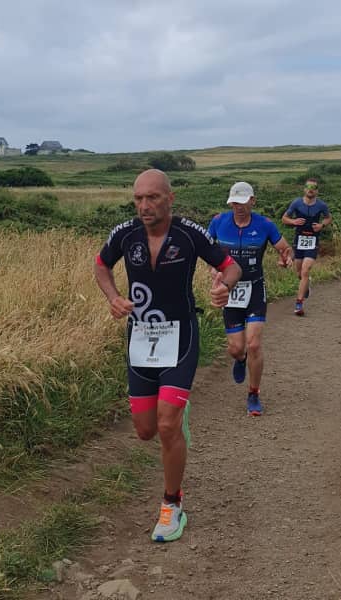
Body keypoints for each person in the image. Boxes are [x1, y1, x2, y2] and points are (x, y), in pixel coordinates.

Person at [94, 169, 242, 543]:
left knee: (165, 425)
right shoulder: (124, 234)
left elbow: (230, 266)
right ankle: (175, 415)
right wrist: (113, 298)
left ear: (170, 198)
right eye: (138, 198)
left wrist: (224, 286)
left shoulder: (189, 234)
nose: (144, 205)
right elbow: (101, 264)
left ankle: (172, 504)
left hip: (180, 338)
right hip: (140, 339)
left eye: (153, 197)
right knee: (146, 431)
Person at [208, 182, 293, 416]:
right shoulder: (218, 222)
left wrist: (286, 258)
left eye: (243, 202)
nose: (238, 207)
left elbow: (285, 249)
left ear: (252, 201)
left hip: (254, 288)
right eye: (234, 202)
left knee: (254, 343)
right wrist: (213, 269)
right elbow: (205, 250)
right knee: (236, 348)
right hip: (230, 290)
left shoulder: (264, 224)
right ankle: (241, 358)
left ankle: (253, 393)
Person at [281, 178, 332, 316]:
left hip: (313, 241)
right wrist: (293, 221)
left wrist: (321, 225)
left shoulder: (321, 205)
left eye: (313, 187)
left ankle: (299, 304)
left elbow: (328, 218)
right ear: (304, 189)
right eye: (308, 187)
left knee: (305, 270)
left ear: (317, 191)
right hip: (299, 240)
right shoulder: (297, 203)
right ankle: (306, 286)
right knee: (299, 273)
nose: (310, 189)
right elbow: (284, 218)